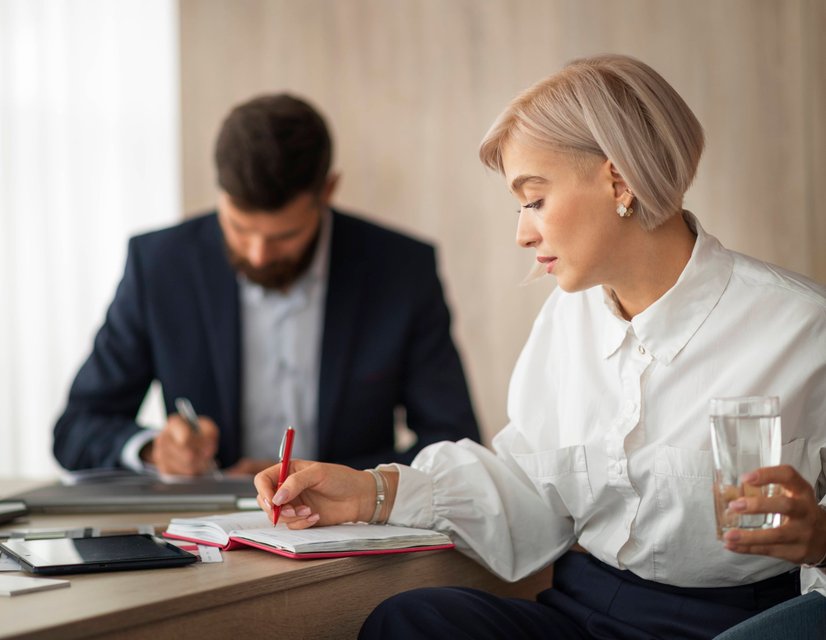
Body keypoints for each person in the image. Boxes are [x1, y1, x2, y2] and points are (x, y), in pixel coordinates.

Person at [253, 55, 826, 639]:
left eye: (534, 199)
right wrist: (368, 492)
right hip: (586, 610)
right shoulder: (566, 316)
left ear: (619, 180)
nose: (522, 233)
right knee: (414, 621)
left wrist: (822, 538)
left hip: (741, 626)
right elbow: (527, 488)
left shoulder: (804, 328)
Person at [53, 94, 479, 477]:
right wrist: (152, 450)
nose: (257, 254)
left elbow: (455, 442)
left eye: (283, 237)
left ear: (328, 191)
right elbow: (77, 429)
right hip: (205, 543)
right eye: (239, 229)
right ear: (220, 192)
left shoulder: (401, 270)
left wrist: (348, 482)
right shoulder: (160, 265)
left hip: (351, 541)